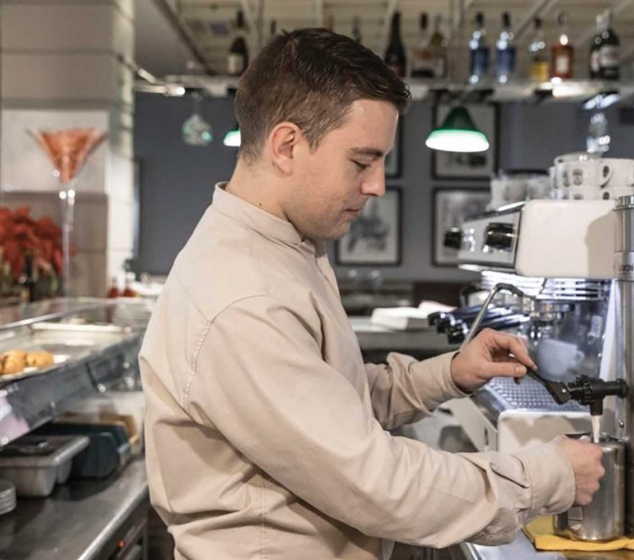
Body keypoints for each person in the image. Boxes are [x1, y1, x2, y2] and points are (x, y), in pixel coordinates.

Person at [139, 28, 605, 560]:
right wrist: (547, 476)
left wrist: (448, 374)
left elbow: (328, 400)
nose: (377, 185)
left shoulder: (284, 249)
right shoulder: (244, 296)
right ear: (287, 145)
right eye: (361, 162)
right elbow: (376, 484)